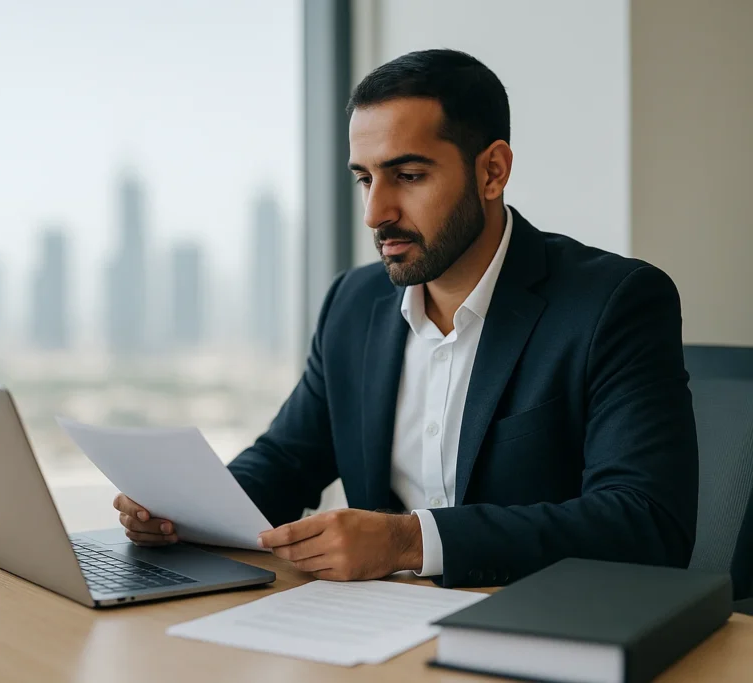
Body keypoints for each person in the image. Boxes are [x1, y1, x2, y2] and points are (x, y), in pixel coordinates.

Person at [112, 49, 698, 588]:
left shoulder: (614, 302)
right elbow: (285, 462)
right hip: (376, 631)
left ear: (492, 171)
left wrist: (409, 542)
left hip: (533, 627)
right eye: (365, 178)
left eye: (409, 176)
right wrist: (182, 510)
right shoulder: (354, 303)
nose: (375, 212)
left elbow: (647, 523)